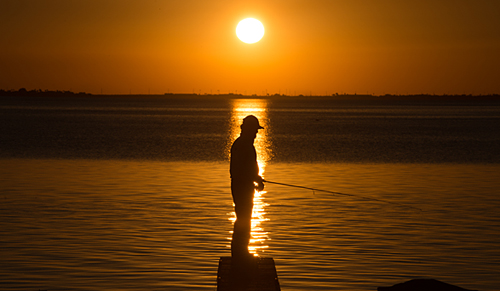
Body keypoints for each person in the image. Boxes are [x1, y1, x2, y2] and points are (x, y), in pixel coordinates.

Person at [230, 115, 265, 262]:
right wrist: (256, 179)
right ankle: (240, 253)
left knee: (243, 218)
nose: (256, 133)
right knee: (244, 218)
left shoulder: (241, 143)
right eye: (255, 130)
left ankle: (240, 251)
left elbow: (245, 169)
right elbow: (242, 169)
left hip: (241, 186)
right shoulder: (244, 145)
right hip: (242, 188)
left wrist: (255, 178)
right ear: (248, 129)